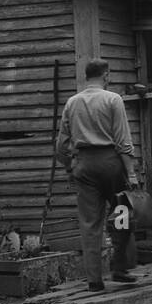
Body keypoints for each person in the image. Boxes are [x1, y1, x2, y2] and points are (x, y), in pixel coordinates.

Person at [55, 59, 140, 291]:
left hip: (84, 165)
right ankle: (120, 267)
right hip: (111, 164)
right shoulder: (113, 99)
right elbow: (123, 141)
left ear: (86, 76)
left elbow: (61, 144)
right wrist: (131, 173)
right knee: (122, 213)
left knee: (90, 222)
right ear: (106, 76)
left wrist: (70, 166)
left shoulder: (72, 102)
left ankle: (94, 279)